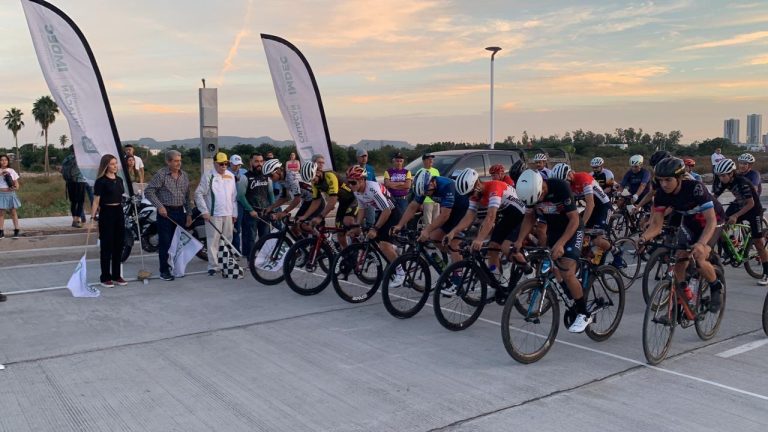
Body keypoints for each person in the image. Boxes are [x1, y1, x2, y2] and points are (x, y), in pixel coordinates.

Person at [639, 158, 724, 313]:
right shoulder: (661, 195)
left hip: (713, 220)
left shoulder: (695, 187)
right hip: (691, 221)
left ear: (679, 178)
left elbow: (711, 221)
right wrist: (643, 238)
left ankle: (715, 286)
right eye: (661, 180)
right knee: (679, 257)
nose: (664, 184)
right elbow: (656, 225)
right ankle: (684, 290)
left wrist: (701, 243)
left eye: (668, 180)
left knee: (699, 255)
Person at [514, 169, 589, 333]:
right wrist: (519, 240)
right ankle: (573, 298)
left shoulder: (560, 187)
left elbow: (574, 219)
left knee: (567, 271)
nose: (539, 201)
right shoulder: (530, 194)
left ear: (542, 187)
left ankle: (584, 313)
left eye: (539, 197)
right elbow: (529, 217)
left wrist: (561, 243)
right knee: (555, 269)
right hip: (554, 231)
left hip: (572, 229)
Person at [446, 168, 526, 292]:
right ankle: (499, 283)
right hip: (509, 217)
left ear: (477, 184)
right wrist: (453, 231)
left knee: (506, 247)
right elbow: (469, 216)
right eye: (467, 195)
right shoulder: (476, 194)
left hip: (523, 216)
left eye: (471, 192)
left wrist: (479, 239)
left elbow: (491, 217)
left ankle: (528, 272)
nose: (471, 196)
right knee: (492, 249)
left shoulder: (494, 187)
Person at [392, 169, 469, 269]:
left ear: (433, 182)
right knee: (434, 237)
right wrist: (399, 225)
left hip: (463, 211)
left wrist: (427, 230)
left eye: (428, 192)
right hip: (450, 210)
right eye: (424, 194)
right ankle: (458, 259)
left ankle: (458, 277)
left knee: (453, 244)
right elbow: (412, 207)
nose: (427, 195)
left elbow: (445, 215)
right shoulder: (424, 188)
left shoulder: (447, 185)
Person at [552, 163, 623, 268]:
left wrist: (582, 224)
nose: (565, 185)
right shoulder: (568, 185)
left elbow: (591, 204)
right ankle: (591, 260)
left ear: (570, 174)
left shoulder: (583, 178)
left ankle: (617, 253)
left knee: (597, 239)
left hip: (603, 207)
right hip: (592, 209)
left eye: (565, 182)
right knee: (582, 238)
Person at [712, 158, 768, 285]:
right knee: (720, 226)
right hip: (738, 205)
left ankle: (766, 273)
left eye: (723, 175)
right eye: (719, 176)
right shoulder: (725, 181)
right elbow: (713, 197)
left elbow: (750, 203)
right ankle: (730, 252)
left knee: (759, 242)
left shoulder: (742, 182)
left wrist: (736, 216)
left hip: (753, 209)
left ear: (731, 173)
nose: (721, 178)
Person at [347, 164, 404, 286]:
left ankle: (400, 273)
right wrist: (356, 225)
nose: (350, 185)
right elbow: (362, 208)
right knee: (375, 238)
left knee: (383, 243)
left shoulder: (372, 188)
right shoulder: (357, 191)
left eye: (353, 182)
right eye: (349, 183)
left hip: (392, 212)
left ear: (362, 180)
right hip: (381, 211)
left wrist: (375, 228)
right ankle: (394, 248)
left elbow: (387, 210)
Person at [144, 150, 193, 281]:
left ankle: (177, 268)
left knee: (178, 243)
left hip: (180, 213)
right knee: (165, 243)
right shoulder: (161, 175)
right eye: (176, 161)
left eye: (180, 160)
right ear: (168, 161)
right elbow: (149, 191)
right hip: (166, 213)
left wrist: (189, 214)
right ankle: (164, 271)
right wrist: (159, 206)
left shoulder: (184, 176)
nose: (179, 163)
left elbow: (187, 197)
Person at [195, 152, 238, 276]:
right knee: (213, 240)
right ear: (215, 163)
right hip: (214, 214)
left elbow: (233, 197)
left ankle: (226, 263)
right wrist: (204, 211)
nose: (224, 166)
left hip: (228, 214)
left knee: (227, 240)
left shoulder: (230, 175)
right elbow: (198, 194)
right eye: (221, 164)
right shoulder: (208, 176)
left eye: (226, 163)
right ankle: (213, 266)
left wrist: (234, 213)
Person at [90, 154, 127, 288]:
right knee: (107, 246)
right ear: (106, 165)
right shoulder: (101, 181)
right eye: (112, 164)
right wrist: (92, 217)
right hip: (106, 213)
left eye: (115, 163)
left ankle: (116, 276)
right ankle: (105, 277)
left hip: (119, 212)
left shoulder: (120, 180)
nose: (115, 166)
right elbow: (96, 201)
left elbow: (121, 196)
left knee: (119, 245)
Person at [243, 153, 274, 246]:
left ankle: (263, 259)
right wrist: (250, 210)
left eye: (261, 161)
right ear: (251, 162)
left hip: (264, 212)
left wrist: (272, 208)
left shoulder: (267, 177)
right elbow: (240, 196)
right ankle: (250, 259)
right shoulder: (245, 177)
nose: (259, 164)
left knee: (265, 238)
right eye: (256, 161)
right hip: (251, 213)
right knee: (250, 238)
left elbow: (271, 194)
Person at [60, 149, 87, 228]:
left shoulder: (66, 159)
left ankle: (74, 220)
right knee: (81, 202)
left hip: (69, 182)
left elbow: (62, 170)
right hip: (80, 181)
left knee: (73, 202)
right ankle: (77, 220)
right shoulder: (80, 158)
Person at [228, 154, 248, 254]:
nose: (237, 166)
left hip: (244, 202)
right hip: (234, 203)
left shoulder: (244, 172)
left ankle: (246, 250)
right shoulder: (226, 173)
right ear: (230, 163)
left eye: (239, 164)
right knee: (236, 228)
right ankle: (235, 250)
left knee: (246, 227)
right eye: (235, 165)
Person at [0, 154, 21, 239]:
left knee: (13, 212)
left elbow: (17, 184)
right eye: (1, 160)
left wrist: (14, 187)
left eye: (5, 160)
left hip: (11, 194)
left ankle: (16, 230)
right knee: (1, 213)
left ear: (8, 161)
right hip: (1, 194)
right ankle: (1, 232)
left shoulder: (11, 170)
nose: (4, 161)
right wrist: (1, 174)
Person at [418, 154, 441, 225]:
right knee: (428, 223)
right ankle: (427, 236)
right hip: (426, 201)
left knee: (436, 222)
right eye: (429, 159)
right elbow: (418, 189)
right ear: (424, 161)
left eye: (432, 159)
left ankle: (434, 236)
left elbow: (438, 185)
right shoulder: (420, 171)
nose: (431, 160)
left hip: (436, 200)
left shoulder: (436, 171)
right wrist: (420, 203)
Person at [357, 149, 377, 227]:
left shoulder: (370, 168)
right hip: (359, 197)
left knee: (371, 220)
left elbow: (374, 181)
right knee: (359, 220)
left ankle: (369, 235)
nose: (364, 158)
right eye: (362, 156)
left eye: (365, 156)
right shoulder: (354, 168)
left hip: (369, 197)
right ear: (357, 158)